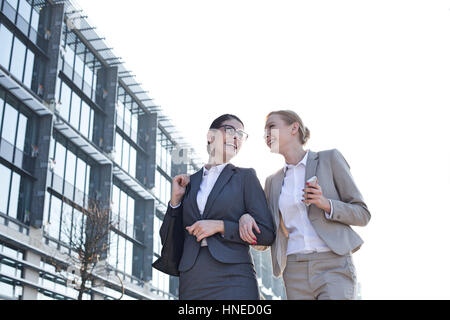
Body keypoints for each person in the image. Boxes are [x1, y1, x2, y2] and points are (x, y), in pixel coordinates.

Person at [239, 110, 371, 300]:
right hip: (294, 269)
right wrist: (246, 218)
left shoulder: (329, 159)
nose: (266, 135)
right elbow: (267, 230)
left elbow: (362, 214)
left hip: (333, 263)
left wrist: (326, 204)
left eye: (272, 127)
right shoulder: (272, 181)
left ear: (294, 128)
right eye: (264, 131)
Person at [160, 114, 276, 300]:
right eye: (230, 130)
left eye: (241, 134)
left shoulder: (245, 177)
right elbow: (167, 238)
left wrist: (221, 225)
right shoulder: (188, 183)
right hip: (193, 278)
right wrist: (176, 201)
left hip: (235, 276)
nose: (236, 137)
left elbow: (267, 234)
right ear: (211, 136)